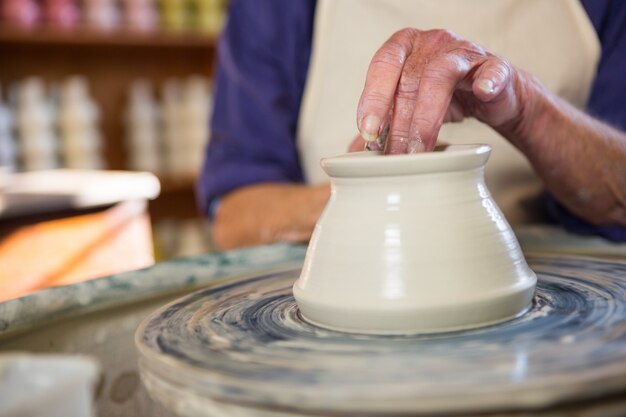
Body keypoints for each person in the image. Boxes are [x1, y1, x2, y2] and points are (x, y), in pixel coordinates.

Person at [197, 0, 626, 250]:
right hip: (355, 301)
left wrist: (527, 108)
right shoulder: (277, 9)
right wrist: (371, 190)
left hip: (544, 300)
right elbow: (236, 213)